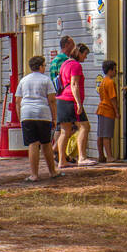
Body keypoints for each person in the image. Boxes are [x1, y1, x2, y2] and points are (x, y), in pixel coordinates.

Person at [13, 56, 59, 182]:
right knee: (46, 143)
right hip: (42, 114)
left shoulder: (23, 80)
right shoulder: (46, 80)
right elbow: (52, 100)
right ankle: (52, 172)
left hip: (27, 114)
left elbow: (17, 101)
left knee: (32, 144)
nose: (45, 68)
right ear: (40, 67)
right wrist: (54, 117)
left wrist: (20, 117)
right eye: (44, 65)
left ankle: (34, 174)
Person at [57, 43, 96, 166]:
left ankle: (61, 160)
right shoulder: (76, 65)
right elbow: (74, 84)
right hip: (71, 100)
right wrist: (79, 103)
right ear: (79, 53)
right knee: (85, 127)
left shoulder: (65, 64)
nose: (85, 57)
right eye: (85, 54)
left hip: (61, 99)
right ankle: (82, 158)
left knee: (65, 131)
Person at [48, 35, 75, 165]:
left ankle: (60, 154)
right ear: (66, 45)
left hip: (57, 95)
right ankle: (56, 150)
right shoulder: (65, 60)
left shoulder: (55, 60)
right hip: (65, 96)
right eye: (72, 44)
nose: (74, 47)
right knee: (70, 128)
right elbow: (66, 78)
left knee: (60, 128)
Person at [95, 60, 119, 163]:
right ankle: (109, 156)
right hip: (107, 110)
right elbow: (113, 98)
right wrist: (116, 111)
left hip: (101, 109)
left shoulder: (103, 81)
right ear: (110, 70)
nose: (116, 72)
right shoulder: (110, 82)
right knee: (107, 135)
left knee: (100, 134)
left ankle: (101, 155)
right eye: (115, 70)